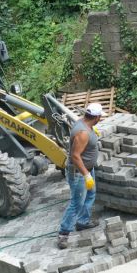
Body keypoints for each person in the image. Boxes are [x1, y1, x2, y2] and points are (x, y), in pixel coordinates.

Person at [57, 102, 103, 249]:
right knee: (77, 202)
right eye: (100, 117)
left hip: (88, 169)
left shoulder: (84, 123)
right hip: (79, 172)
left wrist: (93, 132)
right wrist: (86, 175)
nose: (100, 119)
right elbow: (75, 156)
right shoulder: (83, 133)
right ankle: (63, 233)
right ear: (96, 117)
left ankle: (83, 222)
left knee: (91, 195)